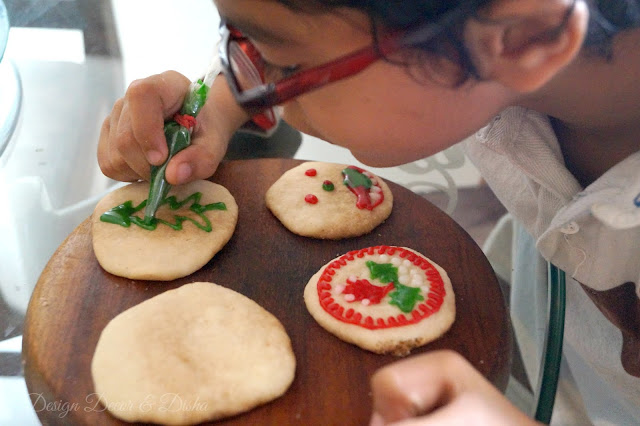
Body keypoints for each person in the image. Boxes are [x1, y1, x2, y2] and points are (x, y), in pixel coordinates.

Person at [98, 0, 640, 424]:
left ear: (526, 38)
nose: (260, 82)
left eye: (284, 63)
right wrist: (218, 105)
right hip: (551, 339)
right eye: (246, 45)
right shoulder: (489, 52)